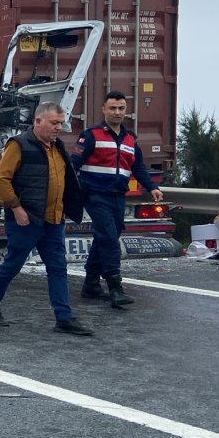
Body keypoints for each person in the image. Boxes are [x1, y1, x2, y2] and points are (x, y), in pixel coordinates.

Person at [0, 102, 91, 335]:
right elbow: (1, 179)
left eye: (60, 123)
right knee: (12, 265)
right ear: (38, 121)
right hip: (26, 220)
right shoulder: (19, 145)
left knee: (58, 268)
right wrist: (16, 208)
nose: (58, 127)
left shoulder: (58, 148)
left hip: (53, 221)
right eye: (54, 123)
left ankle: (64, 317)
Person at [72, 91, 163, 307]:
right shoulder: (91, 135)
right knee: (110, 239)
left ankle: (91, 284)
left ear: (126, 110)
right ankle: (115, 287)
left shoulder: (130, 138)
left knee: (104, 238)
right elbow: (73, 163)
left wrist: (152, 187)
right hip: (94, 194)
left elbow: (137, 166)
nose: (117, 112)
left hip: (117, 196)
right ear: (103, 109)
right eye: (112, 108)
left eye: (121, 108)